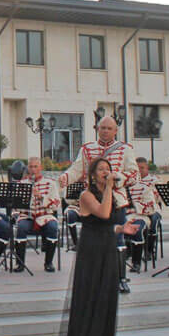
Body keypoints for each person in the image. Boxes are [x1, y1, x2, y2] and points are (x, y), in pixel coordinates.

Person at [65, 158, 138, 336]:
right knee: (87, 296)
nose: (106, 172)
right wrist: (109, 189)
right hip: (91, 249)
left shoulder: (111, 195)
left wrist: (122, 229)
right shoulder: (86, 195)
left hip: (107, 247)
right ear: (93, 174)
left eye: (108, 169)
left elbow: (108, 225)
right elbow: (103, 214)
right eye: (101, 169)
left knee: (106, 297)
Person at [59, 117, 136, 292]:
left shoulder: (125, 149)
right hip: (94, 199)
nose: (105, 131)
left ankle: (120, 279)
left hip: (116, 200)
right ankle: (97, 278)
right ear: (97, 129)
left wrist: (118, 178)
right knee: (96, 238)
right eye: (103, 128)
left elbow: (134, 175)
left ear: (115, 131)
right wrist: (66, 177)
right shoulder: (87, 149)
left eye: (109, 128)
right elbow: (76, 169)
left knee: (117, 239)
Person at [15, 157, 60, 272]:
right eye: (31, 167)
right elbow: (16, 206)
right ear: (27, 168)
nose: (33, 169)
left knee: (53, 227)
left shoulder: (50, 183)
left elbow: (56, 204)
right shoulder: (22, 184)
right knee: (21, 227)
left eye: (35, 166)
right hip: (27, 216)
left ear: (40, 168)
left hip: (45, 215)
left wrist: (41, 197)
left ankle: (48, 263)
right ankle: (20, 263)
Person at [125, 175, 158, 273]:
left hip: (139, 216)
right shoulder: (117, 187)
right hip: (122, 217)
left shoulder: (145, 187)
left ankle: (136, 263)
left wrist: (134, 206)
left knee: (137, 230)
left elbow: (150, 208)